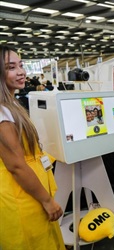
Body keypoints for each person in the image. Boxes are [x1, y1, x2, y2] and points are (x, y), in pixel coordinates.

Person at [0, 45, 65, 249]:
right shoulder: (1, 112)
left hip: (29, 193)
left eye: (20, 65)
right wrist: (47, 200)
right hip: (22, 198)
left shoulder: (11, 104)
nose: (21, 71)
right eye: (11, 67)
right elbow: (16, 166)